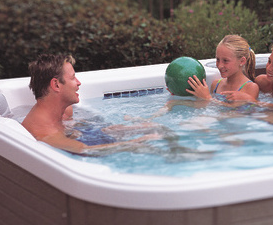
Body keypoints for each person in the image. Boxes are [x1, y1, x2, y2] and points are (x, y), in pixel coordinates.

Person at [21, 53, 160, 154]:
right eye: (73, 77)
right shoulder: (44, 134)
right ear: (56, 85)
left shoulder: (65, 110)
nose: (79, 83)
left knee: (150, 127)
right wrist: (135, 143)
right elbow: (85, 149)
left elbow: (90, 131)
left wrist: (135, 129)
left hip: (79, 135)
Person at [186, 34, 260, 102]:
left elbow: (237, 114)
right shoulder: (216, 85)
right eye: (218, 59)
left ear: (241, 61)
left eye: (225, 61)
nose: (220, 65)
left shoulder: (250, 87)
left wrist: (208, 98)